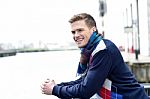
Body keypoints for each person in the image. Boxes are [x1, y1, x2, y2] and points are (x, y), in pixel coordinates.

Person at [41, 13, 149, 99]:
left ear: (93, 30)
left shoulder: (103, 50)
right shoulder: (91, 51)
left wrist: (54, 90)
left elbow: (86, 90)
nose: (76, 35)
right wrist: (58, 86)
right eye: (73, 32)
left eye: (80, 30)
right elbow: (84, 80)